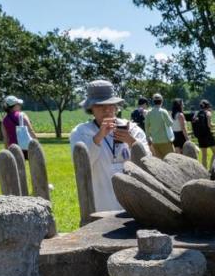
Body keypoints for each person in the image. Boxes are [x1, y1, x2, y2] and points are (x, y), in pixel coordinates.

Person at [69, 79, 149, 213]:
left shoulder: (133, 129)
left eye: (111, 104)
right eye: (100, 105)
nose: (106, 109)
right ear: (91, 108)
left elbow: (148, 162)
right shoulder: (80, 132)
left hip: (134, 203)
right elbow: (82, 166)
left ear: (117, 107)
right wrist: (98, 137)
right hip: (100, 203)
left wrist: (131, 142)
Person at [144, 93, 175, 159]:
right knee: (170, 159)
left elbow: (146, 127)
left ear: (153, 102)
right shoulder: (164, 112)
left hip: (155, 141)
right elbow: (170, 123)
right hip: (165, 140)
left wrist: (148, 138)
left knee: (160, 161)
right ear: (161, 101)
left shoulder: (149, 113)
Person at [191, 99, 215, 168]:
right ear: (208, 106)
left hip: (200, 136)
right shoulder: (208, 113)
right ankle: (211, 168)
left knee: (204, 155)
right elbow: (209, 125)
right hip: (208, 135)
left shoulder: (197, 113)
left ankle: (204, 171)